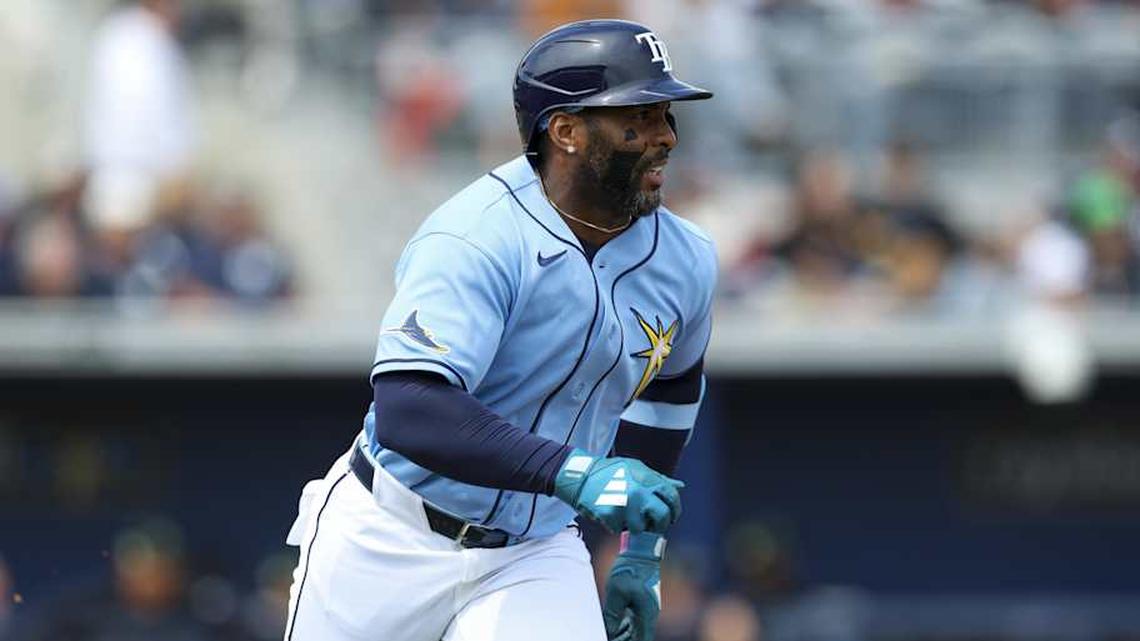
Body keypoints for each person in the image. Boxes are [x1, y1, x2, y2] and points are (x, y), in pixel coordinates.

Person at [283, 19, 716, 641]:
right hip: (389, 536)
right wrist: (578, 472)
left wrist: (640, 550)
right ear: (565, 131)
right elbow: (411, 409)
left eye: (666, 116)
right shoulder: (474, 235)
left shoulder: (686, 258)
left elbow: (669, 391)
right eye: (638, 118)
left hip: (533, 551)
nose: (665, 137)